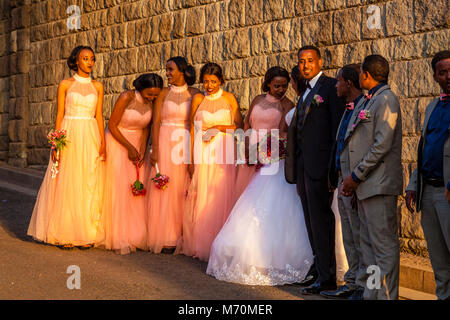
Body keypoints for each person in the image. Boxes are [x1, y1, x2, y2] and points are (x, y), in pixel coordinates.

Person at [206, 67, 314, 285]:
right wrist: (246, 150)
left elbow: (285, 136)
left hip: (270, 158)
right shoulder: (257, 99)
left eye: (284, 85)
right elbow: (246, 125)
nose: (281, 89)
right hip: (250, 152)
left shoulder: (288, 106)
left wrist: (265, 153)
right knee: (242, 200)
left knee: (260, 204)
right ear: (267, 84)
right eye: (276, 85)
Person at [27, 46, 106, 250]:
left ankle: (87, 232)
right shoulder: (65, 84)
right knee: (68, 181)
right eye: (85, 58)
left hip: (90, 135)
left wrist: (102, 141)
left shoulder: (98, 86)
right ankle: (67, 232)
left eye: (92, 59)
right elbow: (60, 114)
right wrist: (56, 142)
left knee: (88, 181)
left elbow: (99, 115)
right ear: (76, 61)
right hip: (69, 133)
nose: (89, 62)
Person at [341, 54, 403, 300]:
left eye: (360, 73)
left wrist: (356, 175)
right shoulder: (369, 100)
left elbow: (381, 145)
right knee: (368, 246)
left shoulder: (386, 100)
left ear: (365, 75)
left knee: (383, 248)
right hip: (364, 186)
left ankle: (387, 296)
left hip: (378, 184)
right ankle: (372, 294)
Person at [285, 45, 345, 294]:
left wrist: (333, 169)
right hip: (303, 168)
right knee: (311, 222)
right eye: (301, 61)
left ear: (320, 62)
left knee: (321, 221)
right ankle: (318, 271)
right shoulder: (305, 91)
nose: (305, 65)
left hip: (320, 168)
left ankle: (328, 277)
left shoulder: (330, 88)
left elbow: (336, 131)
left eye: (310, 60)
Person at [176, 62, 243, 261]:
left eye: (213, 81)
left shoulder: (229, 98)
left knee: (221, 193)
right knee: (202, 194)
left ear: (221, 80)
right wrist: (190, 157)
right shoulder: (197, 98)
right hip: (203, 150)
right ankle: (201, 242)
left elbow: (238, 126)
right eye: (206, 81)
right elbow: (191, 128)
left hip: (224, 150)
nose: (209, 85)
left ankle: (220, 241)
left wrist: (220, 127)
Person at [95, 73, 163, 254]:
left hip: (138, 145)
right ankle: (118, 234)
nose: (152, 98)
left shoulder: (152, 102)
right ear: (141, 88)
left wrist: (141, 148)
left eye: (155, 95)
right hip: (119, 142)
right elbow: (113, 125)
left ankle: (135, 234)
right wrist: (129, 147)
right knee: (119, 189)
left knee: (135, 191)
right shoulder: (126, 97)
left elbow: (147, 127)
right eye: (150, 94)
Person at [405, 50, 450, 300]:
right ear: (435, 76)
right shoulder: (433, 105)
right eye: (442, 72)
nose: (448, 76)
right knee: (439, 261)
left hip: (448, 191)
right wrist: (413, 183)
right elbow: (424, 146)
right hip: (429, 192)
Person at [147, 56, 200, 254]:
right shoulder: (163, 93)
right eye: (167, 69)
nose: (167, 73)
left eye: (171, 69)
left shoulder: (195, 93)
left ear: (182, 71)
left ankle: (183, 235)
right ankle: (165, 235)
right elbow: (156, 122)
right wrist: (155, 149)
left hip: (185, 141)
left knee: (183, 187)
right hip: (166, 140)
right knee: (165, 188)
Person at [321, 64, 365, 299]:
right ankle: (352, 282)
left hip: (354, 181)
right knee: (348, 234)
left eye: (338, 81)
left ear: (349, 83)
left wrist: (354, 179)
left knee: (359, 235)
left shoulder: (363, 108)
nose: (335, 85)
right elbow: (339, 142)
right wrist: (333, 174)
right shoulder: (346, 108)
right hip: (340, 179)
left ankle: (362, 286)